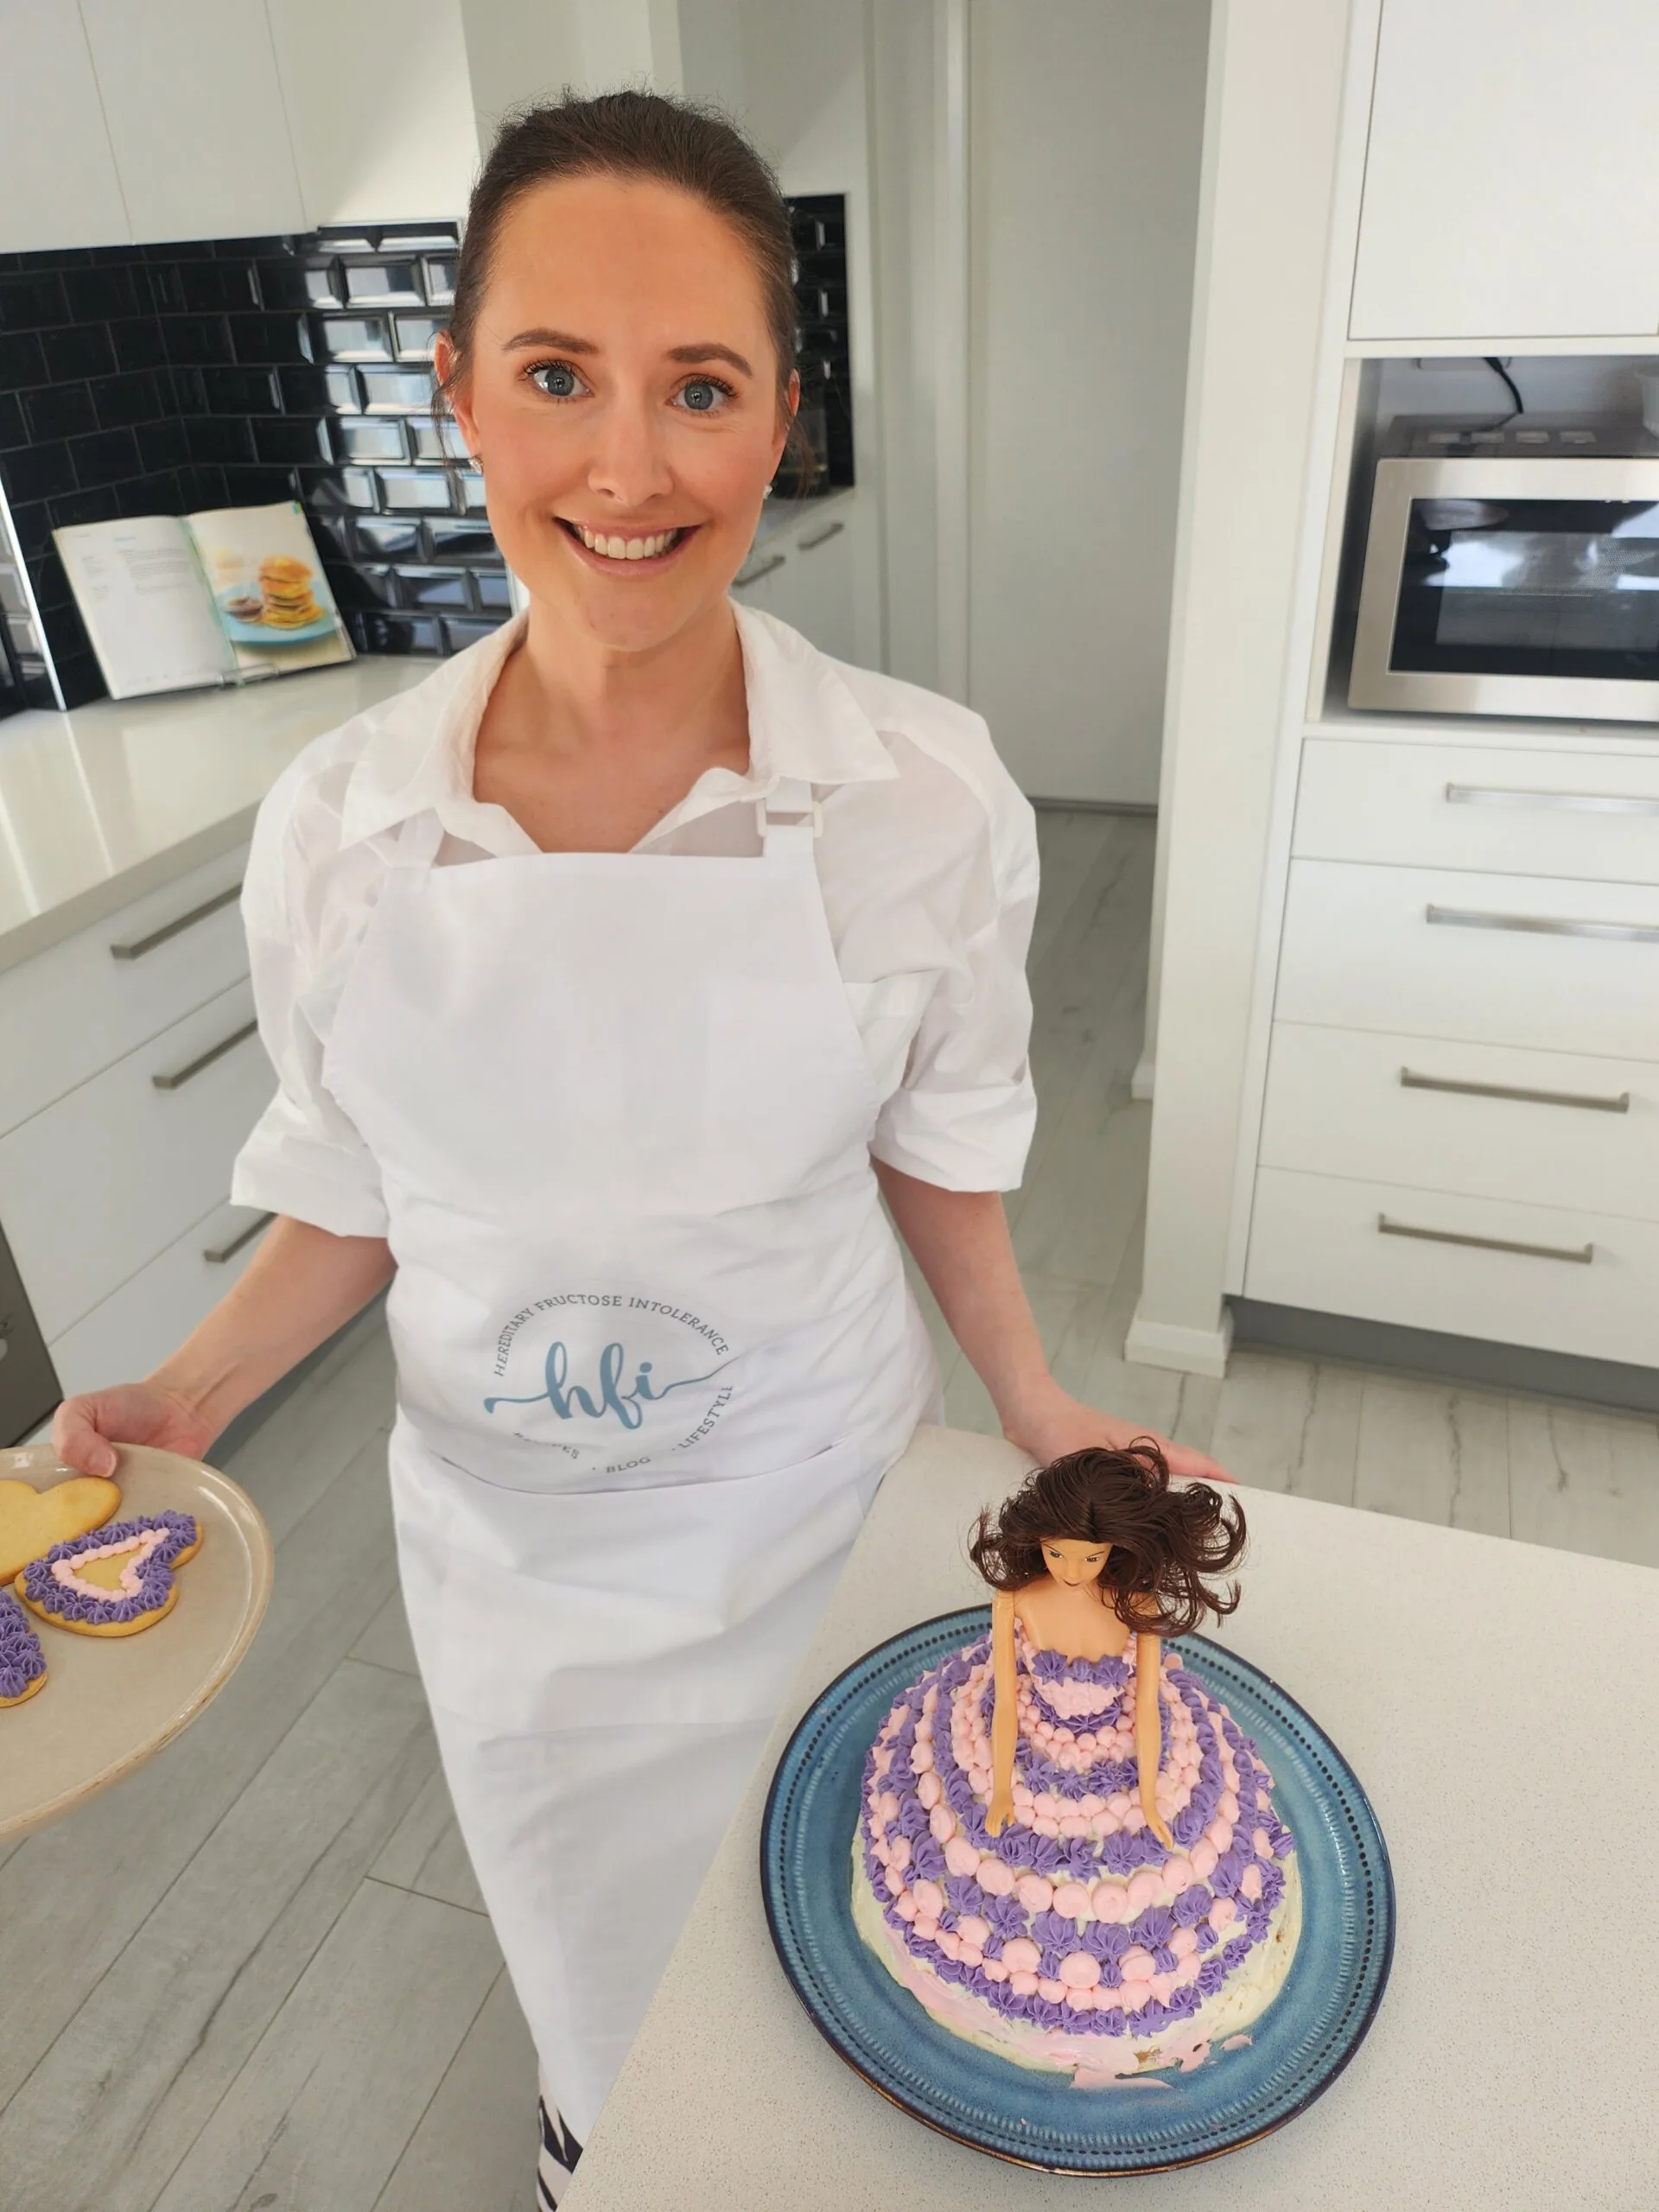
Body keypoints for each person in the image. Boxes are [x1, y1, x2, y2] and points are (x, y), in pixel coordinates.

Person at [52, 91, 1226, 2204]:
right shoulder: (341, 824)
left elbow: (939, 1137)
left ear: (781, 411)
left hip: (815, 1500)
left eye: (700, 385)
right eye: (557, 379)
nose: (627, 464)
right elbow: (354, 1175)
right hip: (512, 1563)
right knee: (600, 1988)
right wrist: (191, 1389)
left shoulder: (915, 794)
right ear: (461, 400)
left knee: (878, 1965)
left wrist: (1033, 1390)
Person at [969, 1446, 1246, 1847]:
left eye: (1091, 1557)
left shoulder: (1136, 1606)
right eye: (1056, 1553)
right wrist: (1001, 1790)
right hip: (1035, 1746)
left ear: (1114, 1548)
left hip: (1114, 1746)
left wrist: (1148, 1799)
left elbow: (1147, 1705)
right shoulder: (1015, 1600)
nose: (1071, 1571)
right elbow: (1007, 1700)